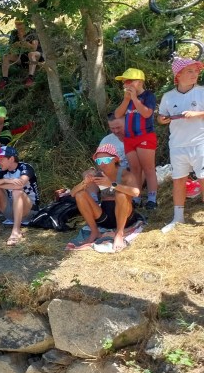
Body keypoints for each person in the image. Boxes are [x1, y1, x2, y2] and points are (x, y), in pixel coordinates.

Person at [158, 57, 204, 233]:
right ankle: (178, 218)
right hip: (177, 145)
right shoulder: (168, 96)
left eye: (196, 71)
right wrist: (162, 119)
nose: (195, 74)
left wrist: (197, 114)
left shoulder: (201, 91)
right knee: (179, 180)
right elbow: (161, 117)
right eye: (190, 71)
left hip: (200, 143)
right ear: (178, 75)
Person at [67, 144, 141, 253]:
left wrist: (112, 184)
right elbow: (73, 193)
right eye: (98, 161)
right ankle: (94, 231)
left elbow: (136, 192)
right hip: (104, 216)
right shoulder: (98, 175)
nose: (102, 164)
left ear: (115, 159)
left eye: (106, 160)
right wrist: (84, 183)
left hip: (125, 217)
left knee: (120, 194)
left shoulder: (125, 174)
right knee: (80, 194)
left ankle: (119, 234)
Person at [113, 67, 158, 210]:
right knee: (135, 169)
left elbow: (146, 114)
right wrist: (127, 100)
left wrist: (134, 99)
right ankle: (137, 197)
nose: (125, 84)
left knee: (149, 169)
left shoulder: (148, 96)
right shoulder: (126, 98)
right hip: (129, 138)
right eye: (124, 82)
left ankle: (152, 198)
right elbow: (118, 114)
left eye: (128, 81)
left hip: (145, 135)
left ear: (139, 82)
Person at [0, 146, 38, 245]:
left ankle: (16, 231)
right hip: (11, 211)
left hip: (30, 210)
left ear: (11, 159)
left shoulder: (25, 167)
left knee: (17, 191)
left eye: (1, 159)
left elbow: (20, 184)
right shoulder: (2, 171)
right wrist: (5, 180)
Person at [1, 20, 42, 88]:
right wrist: (15, 45)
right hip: (21, 56)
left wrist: (23, 42)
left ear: (25, 24)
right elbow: (10, 49)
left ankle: (30, 78)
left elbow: (34, 48)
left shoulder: (32, 31)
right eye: (16, 24)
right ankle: (4, 79)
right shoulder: (14, 33)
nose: (18, 26)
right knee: (6, 56)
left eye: (20, 24)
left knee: (31, 54)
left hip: (36, 55)